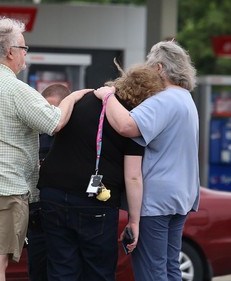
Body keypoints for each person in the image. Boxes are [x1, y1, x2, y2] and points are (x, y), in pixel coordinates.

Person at [0, 17, 91, 281]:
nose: (25, 56)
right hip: (1, 187)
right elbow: (54, 122)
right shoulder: (15, 88)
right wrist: (74, 97)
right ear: (10, 52)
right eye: (24, 49)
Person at [37, 63, 164, 281]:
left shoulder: (82, 100)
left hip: (53, 194)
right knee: (98, 272)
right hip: (95, 204)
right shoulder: (132, 120)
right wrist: (135, 220)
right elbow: (133, 176)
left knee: (61, 270)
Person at [94, 40, 200, 281]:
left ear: (160, 68)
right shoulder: (186, 99)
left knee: (151, 272)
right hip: (181, 196)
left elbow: (126, 125)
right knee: (171, 269)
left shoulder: (165, 99)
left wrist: (108, 96)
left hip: (156, 201)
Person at [27, 83, 70, 281]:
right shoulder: (35, 136)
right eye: (47, 109)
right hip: (38, 213)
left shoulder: (74, 136)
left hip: (65, 213)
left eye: (56, 109)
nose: (51, 116)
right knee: (38, 271)